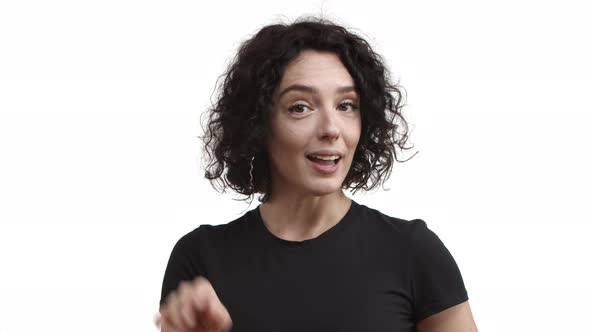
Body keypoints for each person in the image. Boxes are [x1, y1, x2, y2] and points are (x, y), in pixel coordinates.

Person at [156, 16, 478, 332]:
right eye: (300, 107)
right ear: (259, 124)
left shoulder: (414, 253)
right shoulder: (202, 259)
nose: (330, 129)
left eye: (346, 105)